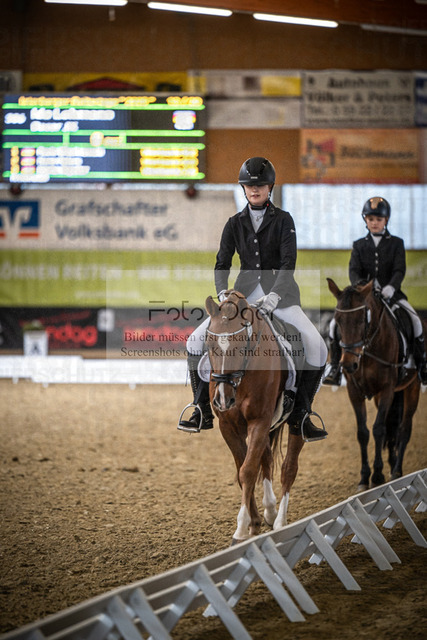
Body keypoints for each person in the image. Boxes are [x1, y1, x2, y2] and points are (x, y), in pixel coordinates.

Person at [179, 156, 328, 440]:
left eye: (260, 185)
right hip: (241, 299)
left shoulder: (284, 220)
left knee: (317, 346)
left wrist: (275, 296)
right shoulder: (234, 223)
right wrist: (222, 293)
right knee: (194, 341)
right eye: (249, 185)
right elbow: (222, 263)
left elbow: (288, 263)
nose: (255, 189)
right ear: (243, 189)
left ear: (270, 187)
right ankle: (201, 408)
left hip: (281, 298)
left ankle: (302, 414)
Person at [323, 196, 427, 386]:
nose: (374, 223)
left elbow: (399, 270)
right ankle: (335, 368)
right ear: (366, 220)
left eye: (379, 219)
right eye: (371, 219)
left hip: (392, 294)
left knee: (415, 321)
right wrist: (363, 288)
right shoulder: (359, 245)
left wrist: (391, 287)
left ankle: (421, 366)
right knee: (332, 326)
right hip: (365, 296)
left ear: (386, 220)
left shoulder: (396, 243)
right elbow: (354, 271)